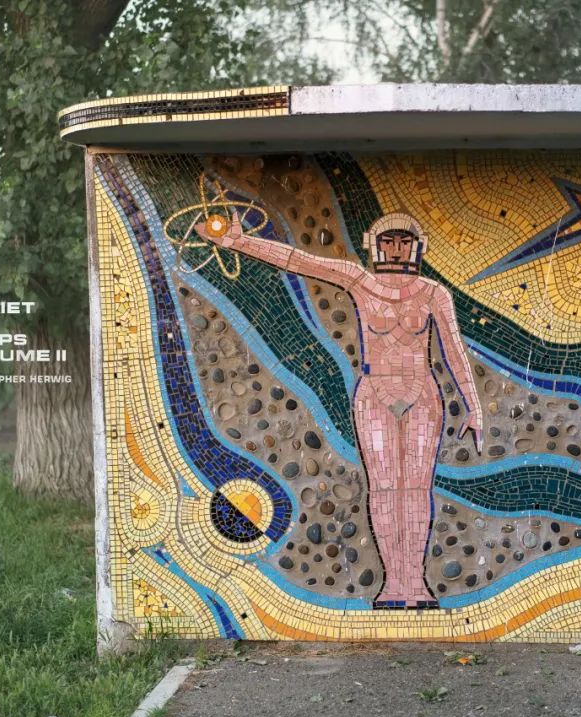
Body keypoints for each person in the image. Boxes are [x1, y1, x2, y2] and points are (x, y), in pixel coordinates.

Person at [195, 210, 482, 607]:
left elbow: (453, 349)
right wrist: (239, 242)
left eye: (404, 242)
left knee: (416, 491)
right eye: (389, 241)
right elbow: (298, 261)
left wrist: (473, 405)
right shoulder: (359, 281)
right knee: (384, 489)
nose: (396, 249)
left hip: (423, 395)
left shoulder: (434, 293)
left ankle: (416, 582)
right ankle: (394, 583)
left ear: (417, 247)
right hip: (375, 394)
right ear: (374, 246)